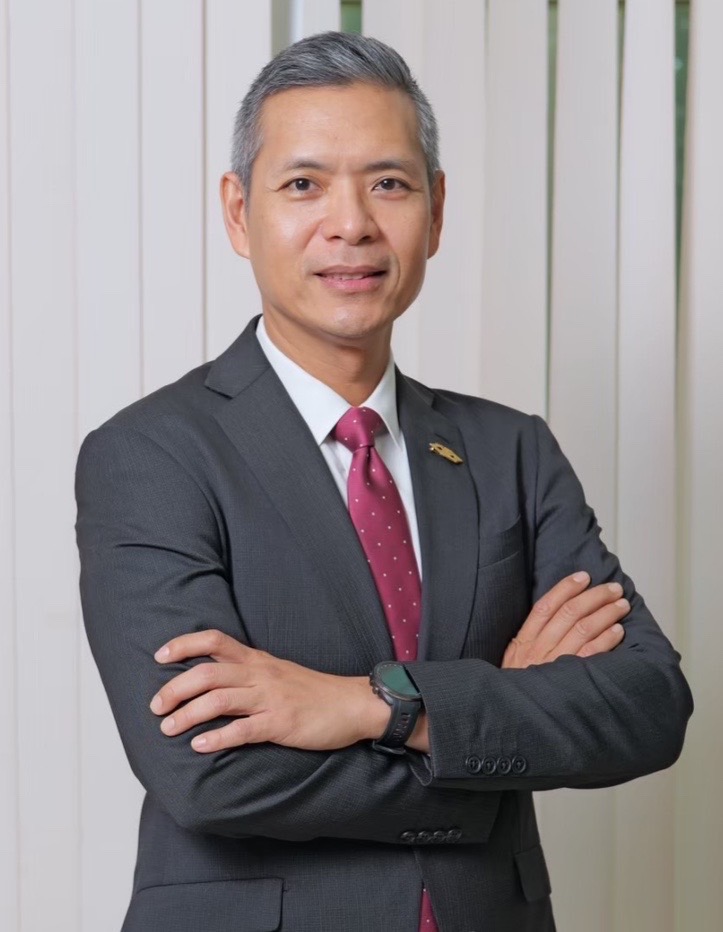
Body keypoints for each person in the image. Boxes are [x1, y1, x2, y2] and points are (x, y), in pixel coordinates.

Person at [75, 31, 692, 932]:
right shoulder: (151, 453)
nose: (351, 224)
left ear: (435, 213)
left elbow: (647, 706)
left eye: (389, 184)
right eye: (303, 184)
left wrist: (366, 705)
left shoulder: (510, 451)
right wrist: (489, 722)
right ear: (239, 213)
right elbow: (208, 770)